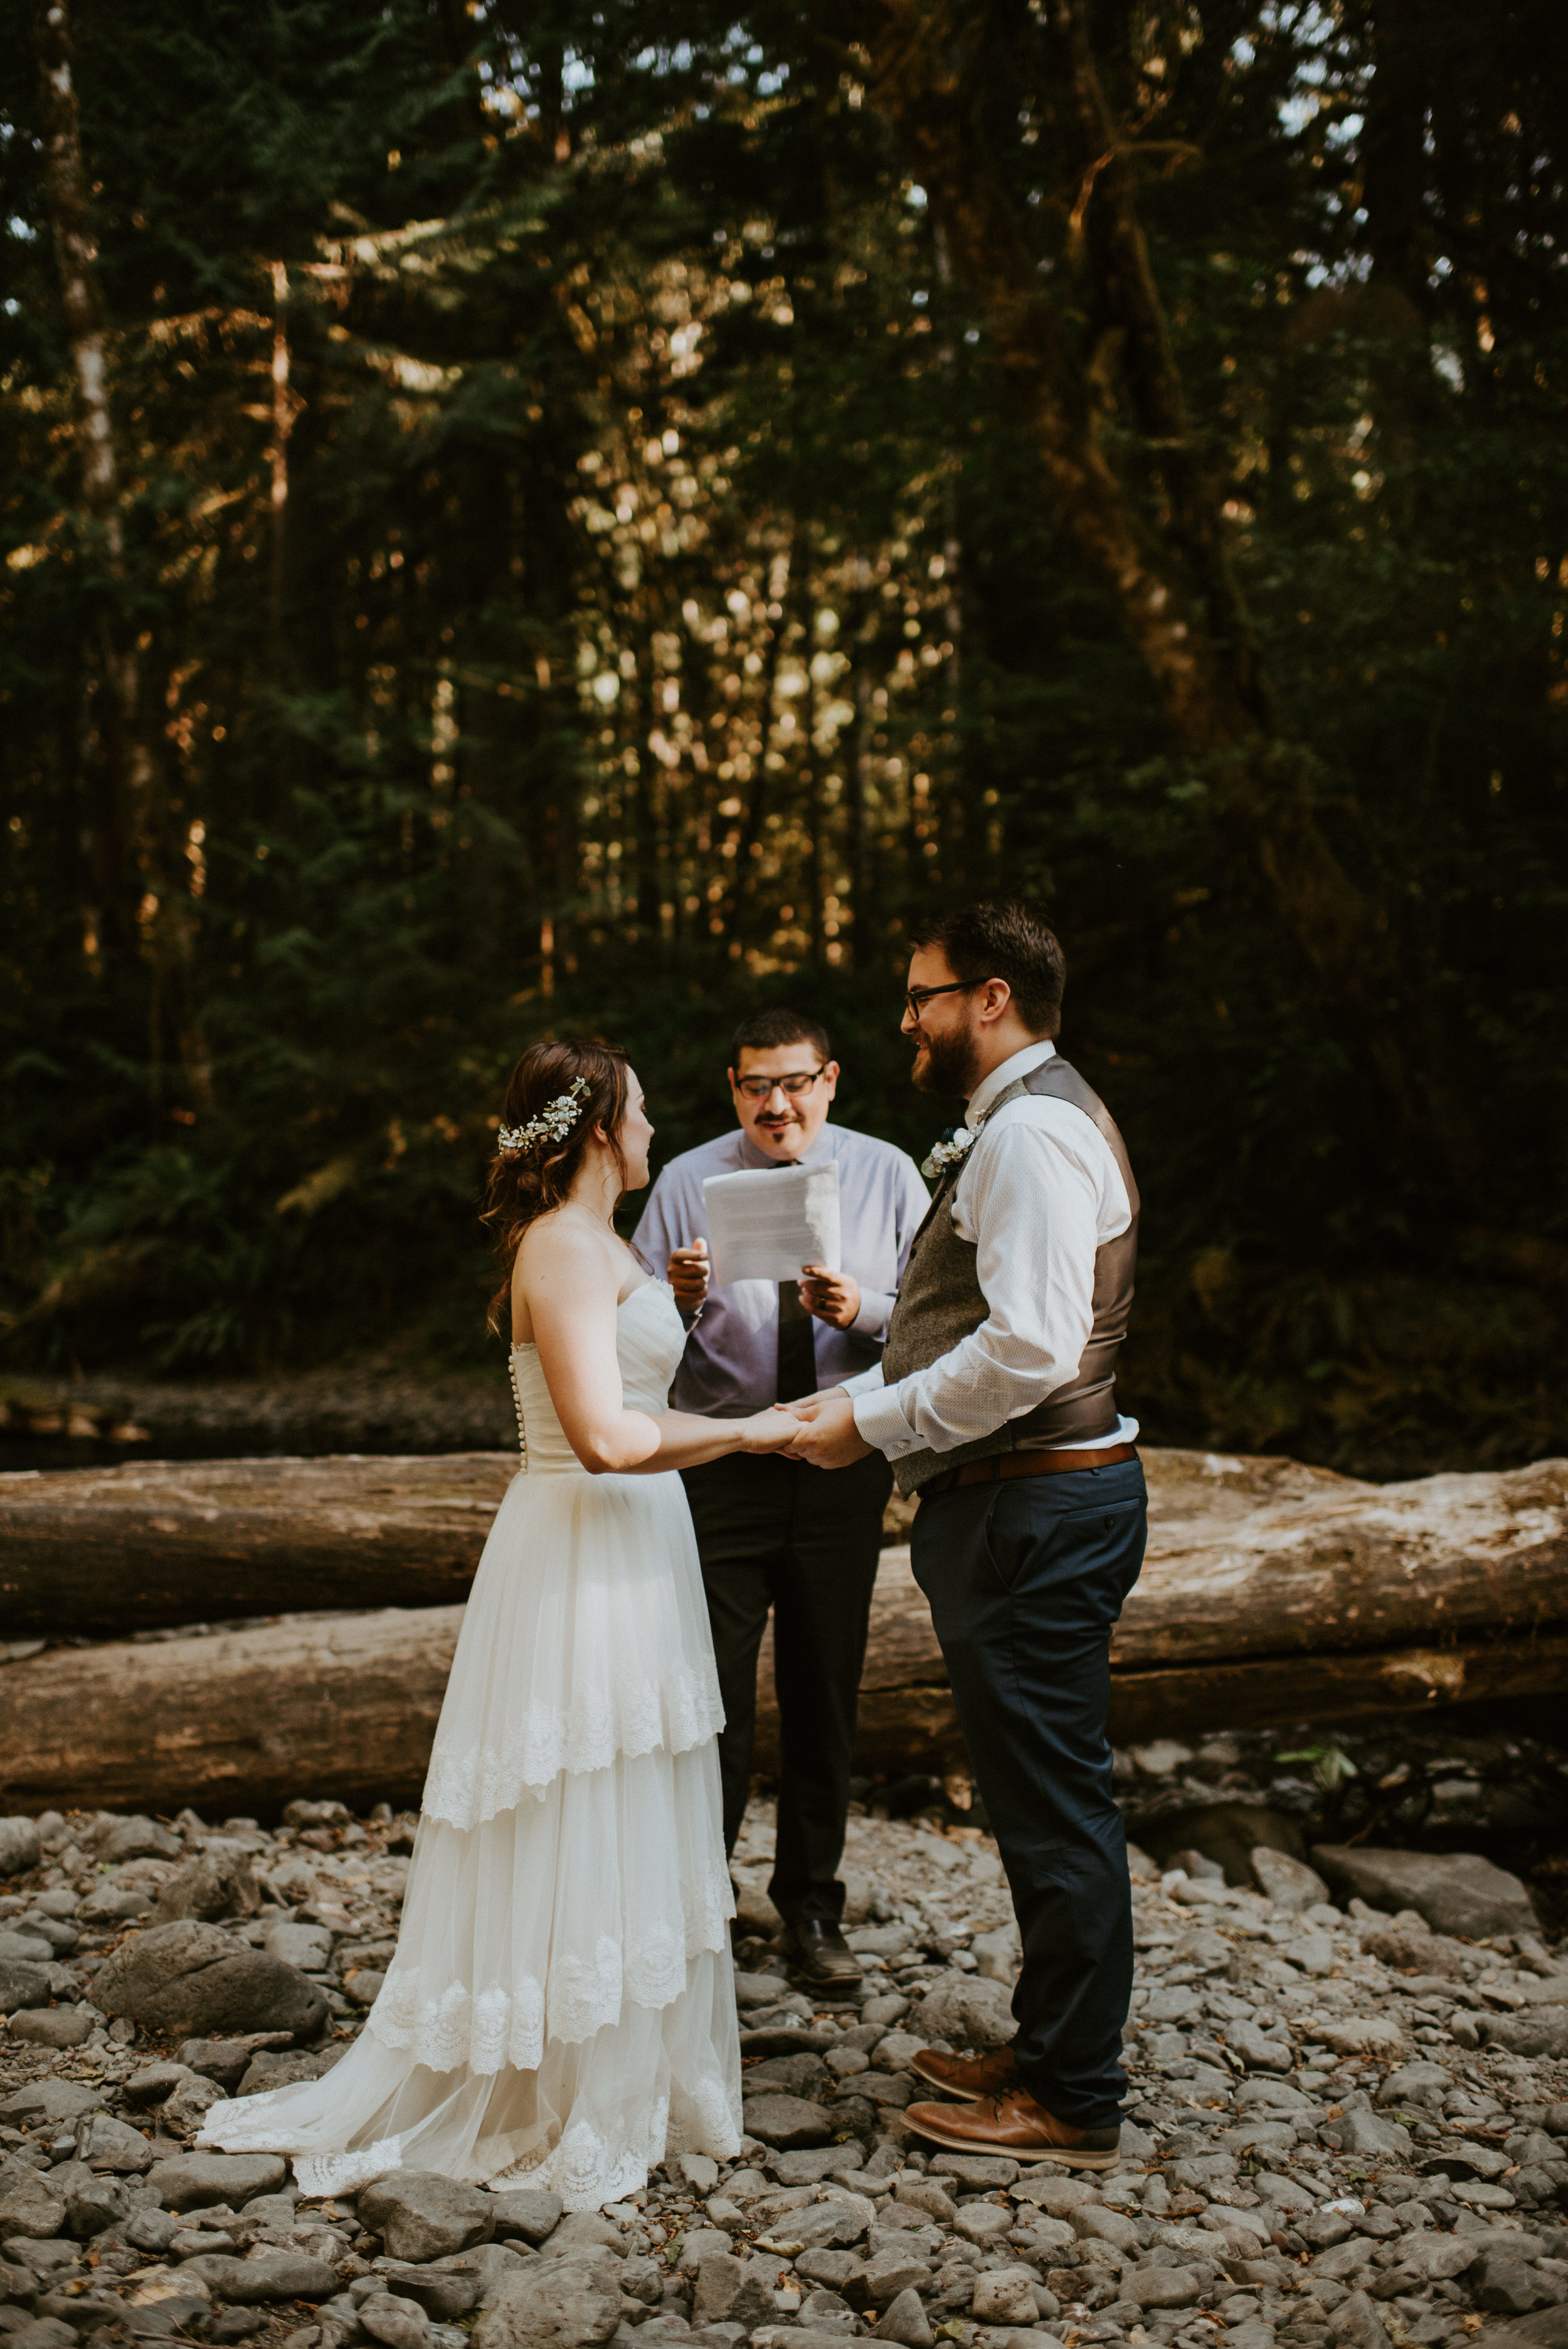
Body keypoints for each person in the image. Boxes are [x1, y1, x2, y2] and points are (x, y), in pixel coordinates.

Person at [199, 1040, 803, 2205]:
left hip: (635, 1541)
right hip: (583, 1540)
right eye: (640, 1109)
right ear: (593, 1132)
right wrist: (757, 1429)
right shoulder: (564, 1249)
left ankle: (616, 2067)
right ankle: (546, 2083)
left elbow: (638, 1402)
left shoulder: (607, 1246)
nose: (655, 1123)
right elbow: (608, 1438)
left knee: (626, 1786)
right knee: (574, 1790)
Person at [787, 903, 1145, 2170]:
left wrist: (871, 1423)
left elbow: (1035, 1345)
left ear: (988, 998)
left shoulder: (1035, 1131)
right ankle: (1049, 2054)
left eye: (921, 995)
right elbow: (995, 1315)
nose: (907, 1019)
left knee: (1051, 1805)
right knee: (1035, 1794)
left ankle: (1073, 2098)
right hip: (1022, 1502)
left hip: (1031, 1506)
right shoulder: (1029, 1121)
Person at [632, 1009, 930, 1987]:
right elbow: (626, 1341)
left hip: (842, 1457)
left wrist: (867, 1310)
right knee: (710, 1695)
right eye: (757, 1085)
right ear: (732, 1089)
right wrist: (674, 1298)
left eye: (795, 1081)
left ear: (831, 1080)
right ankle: (697, 1913)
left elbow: (939, 1325)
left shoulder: (886, 1172)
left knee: (823, 1690)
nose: (777, 1103)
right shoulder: (685, 1182)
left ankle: (811, 1909)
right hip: (721, 1460)